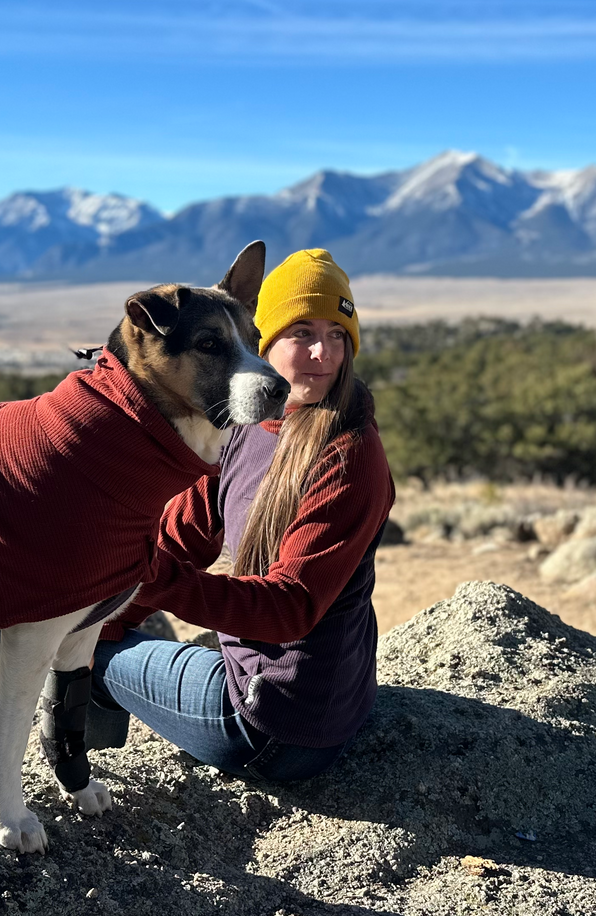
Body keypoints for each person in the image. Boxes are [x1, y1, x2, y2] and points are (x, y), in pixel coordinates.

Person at [89, 248, 395, 781]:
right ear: (261, 339)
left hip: (271, 726)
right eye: (302, 332)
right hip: (298, 699)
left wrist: (141, 583)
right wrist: (114, 611)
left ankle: (80, 774)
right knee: (93, 630)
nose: (324, 353)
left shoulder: (349, 456)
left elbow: (291, 608)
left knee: (80, 653)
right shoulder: (249, 424)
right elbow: (184, 533)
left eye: (338, 335)